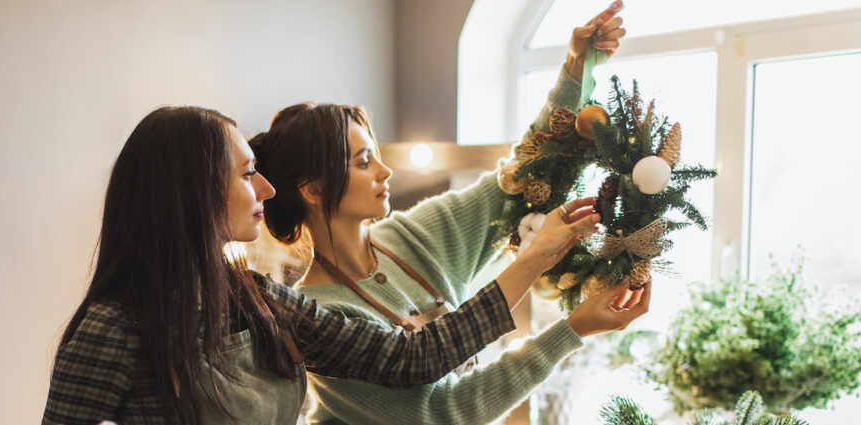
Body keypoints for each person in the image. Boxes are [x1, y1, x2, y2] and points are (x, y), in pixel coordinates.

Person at [40, 105, 623, 425]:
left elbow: (413, 360)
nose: (265, 186)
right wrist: (536, 263)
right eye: (246, 174)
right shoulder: (114, 329)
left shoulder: (257, 298)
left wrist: (540, 265)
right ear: (193, 191)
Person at [249, 3, 645, 424]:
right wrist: (570, 327)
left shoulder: (410, 238)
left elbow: (516, 181)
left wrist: (574, 69)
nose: (385, 171)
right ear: (314, 189)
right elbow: (447, 412)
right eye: (363, 162)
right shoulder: (319, 316)